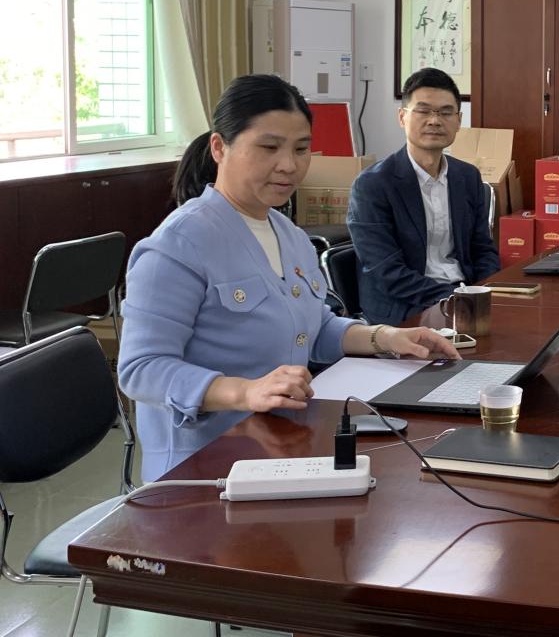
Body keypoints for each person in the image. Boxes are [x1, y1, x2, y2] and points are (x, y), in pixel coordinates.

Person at [119, 74, 459, 482]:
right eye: (269, 147)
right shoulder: (177, 245)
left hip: (284, 443)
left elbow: (314, 327)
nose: (289, 165)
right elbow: (141, 369)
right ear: (219, 148)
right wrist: (244, 391)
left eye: (301, 149)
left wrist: (385, 338)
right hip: (205, 468)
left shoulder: (288, 234)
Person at [348, 68, 500, 325]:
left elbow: (483, 250)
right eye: (423, 111)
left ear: (458, 121)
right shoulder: (373, 185)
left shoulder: (467, 177)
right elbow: (386, 271)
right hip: (404, 307)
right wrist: (454, 299)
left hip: (464, 297)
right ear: (402, 117)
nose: (434, 120)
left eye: (445, 112)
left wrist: (484, 292)